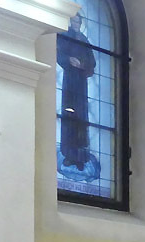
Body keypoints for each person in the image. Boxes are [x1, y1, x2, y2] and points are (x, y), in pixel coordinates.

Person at [56, 13, 96, 172]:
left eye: (78, 22)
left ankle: (81, 157)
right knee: (69, 115)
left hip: (81, 83)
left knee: (81, 118)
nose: (76, 24)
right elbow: (59, 54)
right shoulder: (64, 37)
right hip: (70, 81)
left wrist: (82, 64)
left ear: (81, 23)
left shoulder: (84, 40)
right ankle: (69, 155)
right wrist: (69, 60)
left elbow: (92, 62)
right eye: (73, 21)